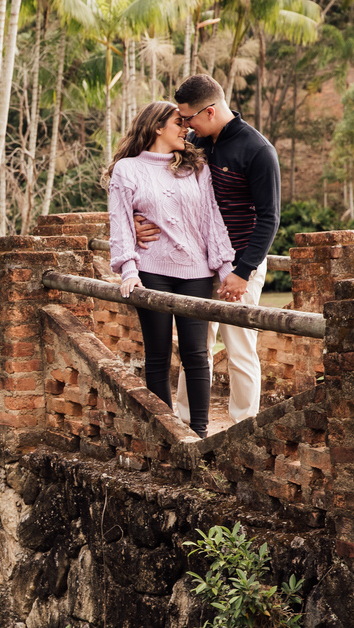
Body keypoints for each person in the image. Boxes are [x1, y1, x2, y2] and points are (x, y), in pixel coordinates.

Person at [136, 74, 281, 425]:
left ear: (211, 111)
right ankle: (186, 424)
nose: (185, 126)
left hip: (239, 264)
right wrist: (137, 222)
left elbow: (270, 218)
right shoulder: (197, 146)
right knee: (195, 349)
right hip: (197, 264)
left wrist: (242, 272)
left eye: (189, 119)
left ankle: (244, 427)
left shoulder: (257, 150)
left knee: (239, 348)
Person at [105, 101, 237, 438]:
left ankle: (199, 432)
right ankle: (165, 432)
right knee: (158, 354)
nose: (186, 129)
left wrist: (224, 270)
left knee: (197, 353)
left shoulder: (195, 168)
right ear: (157, 127)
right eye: (178, 123)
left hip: (196, 272)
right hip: (152, 272)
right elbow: (120, 223)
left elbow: (211, 220)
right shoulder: (127, 170)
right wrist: (129, 270)